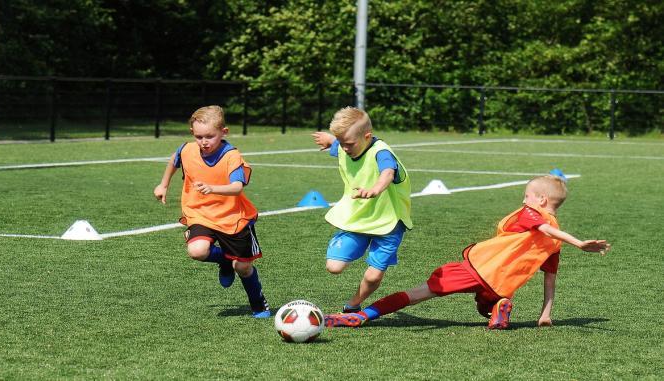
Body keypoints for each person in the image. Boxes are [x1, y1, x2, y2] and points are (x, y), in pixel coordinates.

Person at [324, 175, 611, 329]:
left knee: (419, 293)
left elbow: (545, 229)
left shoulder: (532, 214)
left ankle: (362, 316)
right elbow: (550, 279)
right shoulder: (553, 243)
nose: (523, 200)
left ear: (540, 199)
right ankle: (498, 306)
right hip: (500, 285)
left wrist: (580, 243)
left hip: (475, 268)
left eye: (526, 195)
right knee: (484, 306)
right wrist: (545, 313)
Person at [154, 105, 271, 318]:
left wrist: (213, 188)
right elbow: (175, 158)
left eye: (210, 136)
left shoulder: (232, 156)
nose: (204, 142)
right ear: (192, 134)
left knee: (243, 267)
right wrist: (163, 185)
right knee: (197, 251)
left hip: (233, 219)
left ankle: (258, 303)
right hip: (200, 213)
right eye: (199, 137)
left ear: (223, 133)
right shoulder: (188, 149)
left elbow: (237, 187)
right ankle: (224, 259)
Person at [312, 107, 413, 313]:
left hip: (389, 222)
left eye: (348, 144)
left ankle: (353, 305)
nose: (345, 148)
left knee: (373, 275)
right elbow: (338, 145)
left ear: (367, 136)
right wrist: (330, 140)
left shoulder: (381, 152)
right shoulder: (345, 145)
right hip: (358, 219)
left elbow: (387, 172)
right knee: (334, 267)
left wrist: (375, 189)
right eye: (342, 144)